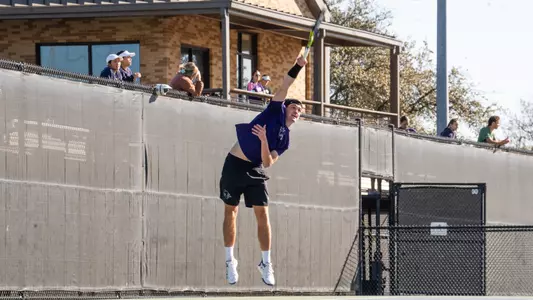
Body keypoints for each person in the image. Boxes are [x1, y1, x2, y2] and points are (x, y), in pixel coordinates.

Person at [219, 52, 306, 286]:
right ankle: (230, 260)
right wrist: (297, 66)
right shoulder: (274, 111)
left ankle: (266, 263)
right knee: (231, 211)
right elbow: (286, 85)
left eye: (300, 111)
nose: (296, 111)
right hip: (234, 165)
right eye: (294, 108)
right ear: (285, 107)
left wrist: (265, 141)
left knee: (263, 213)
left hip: (255, 169)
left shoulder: (285, 140)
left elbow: (268, 163)